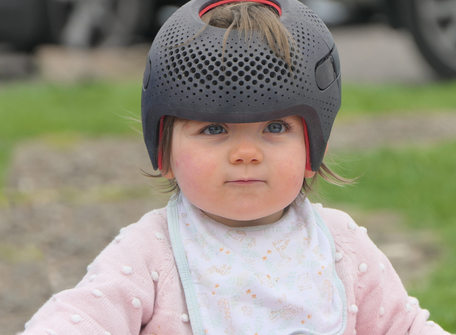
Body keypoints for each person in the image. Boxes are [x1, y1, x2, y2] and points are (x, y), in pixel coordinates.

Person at [20, 0, 450, 334]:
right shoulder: (151, 253)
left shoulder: (340, 248)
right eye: (214, 129)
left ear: (312, 148)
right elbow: (78, 319)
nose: (246, 153)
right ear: (164, 151)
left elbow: (406, 327)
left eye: (275, 127)